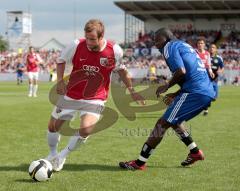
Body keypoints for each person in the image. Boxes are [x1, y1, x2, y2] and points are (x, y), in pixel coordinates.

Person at [45, 19, 145, 172]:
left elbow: (122, 70)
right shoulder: (76, 44)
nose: (89, 43)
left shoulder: (114, 50)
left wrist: (132, 90)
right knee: (53, 127)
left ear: (101, 36)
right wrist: (59, 82)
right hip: (72, 94)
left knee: (86, 129)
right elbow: (60, 61)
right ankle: (52, 154)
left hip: (96, 97)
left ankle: (62, 156)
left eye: (92, 39)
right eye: (87, 38)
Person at [119, 28, 215, 170]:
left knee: (162, 123)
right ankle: (195, 152)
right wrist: (176, 94)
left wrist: (166, 86)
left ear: (166, 39)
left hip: (195, 92)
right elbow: (191, 74)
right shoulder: (184, 45)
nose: (156, 44)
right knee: (174, 121)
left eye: (157, 40)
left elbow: (181, 72)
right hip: (202, 91)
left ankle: (139, 163)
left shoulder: (169, 47)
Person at [196, 38, 215, 115]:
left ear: (204, 45)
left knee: (206, 91)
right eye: (199, 43)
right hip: (196, 74)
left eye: (201, 43)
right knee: (197, 91)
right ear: (197, 45)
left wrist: (211, 72)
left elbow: (208, 65)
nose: (200, 45)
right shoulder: (194, 53)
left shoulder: (207, 53)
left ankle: (206, 107)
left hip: (205, 74)